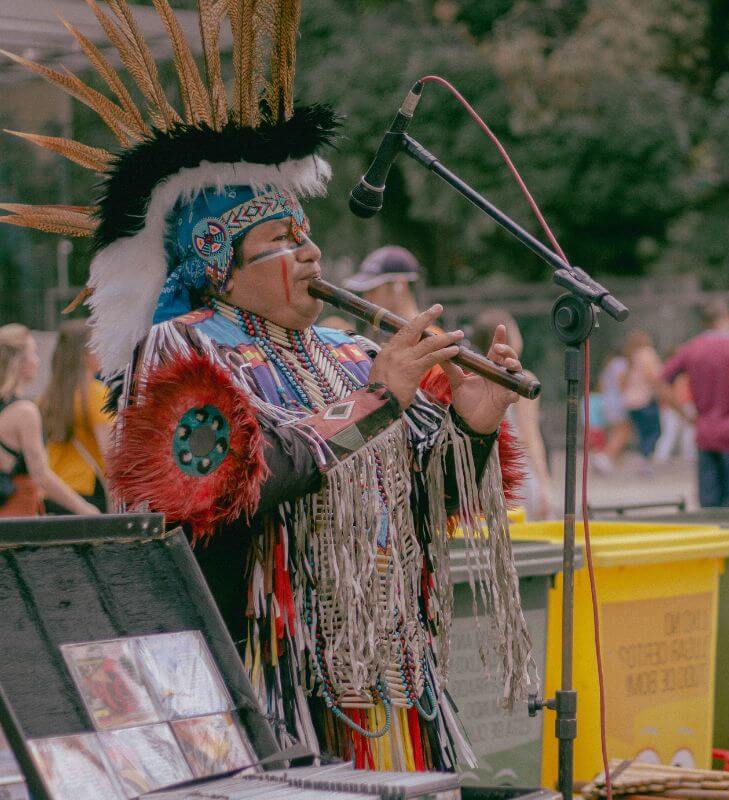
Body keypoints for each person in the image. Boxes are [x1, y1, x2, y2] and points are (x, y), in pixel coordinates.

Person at [1, 1, 533, 771]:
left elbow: (420, 502)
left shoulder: (349, 350)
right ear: (218, 264)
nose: (311, 251)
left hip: (385, 671)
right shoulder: (179, 351)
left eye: (306, 233)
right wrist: (381, 401)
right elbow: (222, 486)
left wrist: (473, 427)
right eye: (282, 240)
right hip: (265, 677)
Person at [660, 300, 729, 507]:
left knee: (709, 503)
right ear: (728, 317)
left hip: (705, 430)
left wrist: (685, 414)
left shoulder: (692, 347)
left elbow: (661, 380)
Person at [0, 325, 100, 517]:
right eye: (33, 353)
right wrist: (86, 510)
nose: (37, 361)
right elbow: (40, 474)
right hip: (16, 519)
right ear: (20, 361)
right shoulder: (24, 412)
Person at [471, 309, 555, 520]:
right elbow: (529, 435)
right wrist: (545, 483)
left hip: (488, 472)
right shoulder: (523, 380)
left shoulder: (474, 379)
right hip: (519, 471)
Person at [40, 320, 113, 514]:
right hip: (88, 493)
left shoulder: (46, 397)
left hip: (54, 494)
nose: (102, 350)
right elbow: (109, 453)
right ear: (83, 354)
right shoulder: (95, 393)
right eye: (96, 345)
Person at [345, 245, 423, 327]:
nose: (366, 298)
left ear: (400, 286)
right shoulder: (379, 332)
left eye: (373, 290)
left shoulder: (427, 338)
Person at [620, 331, 663, 463]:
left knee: (642, 432)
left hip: (630, 401)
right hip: (645, 399)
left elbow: (622, 381)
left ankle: (644, 457)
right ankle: (646, 457)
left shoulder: (630, 357)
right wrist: (660, 390)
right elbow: (652, 375)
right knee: (655, 431)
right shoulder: (646, 353)